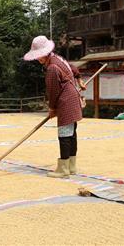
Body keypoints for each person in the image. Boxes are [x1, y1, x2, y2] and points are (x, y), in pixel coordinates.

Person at [23, 35, 83, 178]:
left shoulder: (52, 68)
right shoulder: (59, 59)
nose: (37, 59)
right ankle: (71, 166)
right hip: (73, 99)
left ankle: (63, 169)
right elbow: (73, 68)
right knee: (71, 134)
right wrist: (79, 79)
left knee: (64, 136)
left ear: (44, 54)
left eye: (38, 56)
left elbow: (53, 91)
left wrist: (52, 108)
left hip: (66, 102)